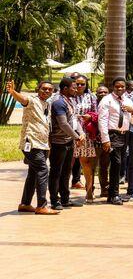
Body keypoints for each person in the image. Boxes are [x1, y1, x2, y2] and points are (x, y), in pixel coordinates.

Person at [8, 80, 59, 215]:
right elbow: (23, 100)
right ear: (38, 89)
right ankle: (41, 205)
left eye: (50, 89)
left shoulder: (47, 104)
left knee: (33, 173)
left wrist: (49, 144)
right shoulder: (32, 100)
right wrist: (13, 92)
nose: (47, 91)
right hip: (31, 142)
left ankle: (25, 203)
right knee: (43, 170)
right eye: (44, 89)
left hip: (42, 144)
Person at [98, 77, 133, 205]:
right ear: (113, 87)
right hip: (113, 135)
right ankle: (113, 194)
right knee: (116, 163)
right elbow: (102, 121)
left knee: (120, 165)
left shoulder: (128, 100)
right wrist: (105, 139)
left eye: (122, 86)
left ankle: (113, 194)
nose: (120, 88)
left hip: (124, 135)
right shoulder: (107, 100)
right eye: (117, 86)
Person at [49, 76, 83, 210]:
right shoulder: (58, 102)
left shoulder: (69, 100)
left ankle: (65, 199)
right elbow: (63, 124)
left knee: (66, 171)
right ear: (65, 89)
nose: (77, 90)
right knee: (56, 172)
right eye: (74, 88)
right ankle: (54, 200)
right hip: (59, 142)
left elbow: (73, 119)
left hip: (68, 141)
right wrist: (76, 137)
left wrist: (80, 133)